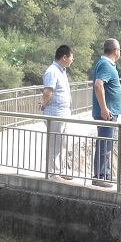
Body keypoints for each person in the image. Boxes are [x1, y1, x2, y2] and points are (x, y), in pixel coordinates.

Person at [91, 38, 121, 188]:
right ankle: (100, 176)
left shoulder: (104, 63)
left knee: (107, 144)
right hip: (107, 114)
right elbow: (98, 85)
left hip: (109, 112)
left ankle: (105, 174)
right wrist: (104, 108)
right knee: (105, 144)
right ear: (116, 50)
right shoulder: (105, 64)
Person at [40, 45, 74, 180]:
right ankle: (53, 172)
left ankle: (60, 170)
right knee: (55, 143)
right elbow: (47, 92)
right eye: (71, 57)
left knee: (63, 143)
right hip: (55, 113)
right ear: (64, 57)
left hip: (63, 113)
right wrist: (43, 104)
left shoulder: (61, 71)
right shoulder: (52, 71)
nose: (72, 60)